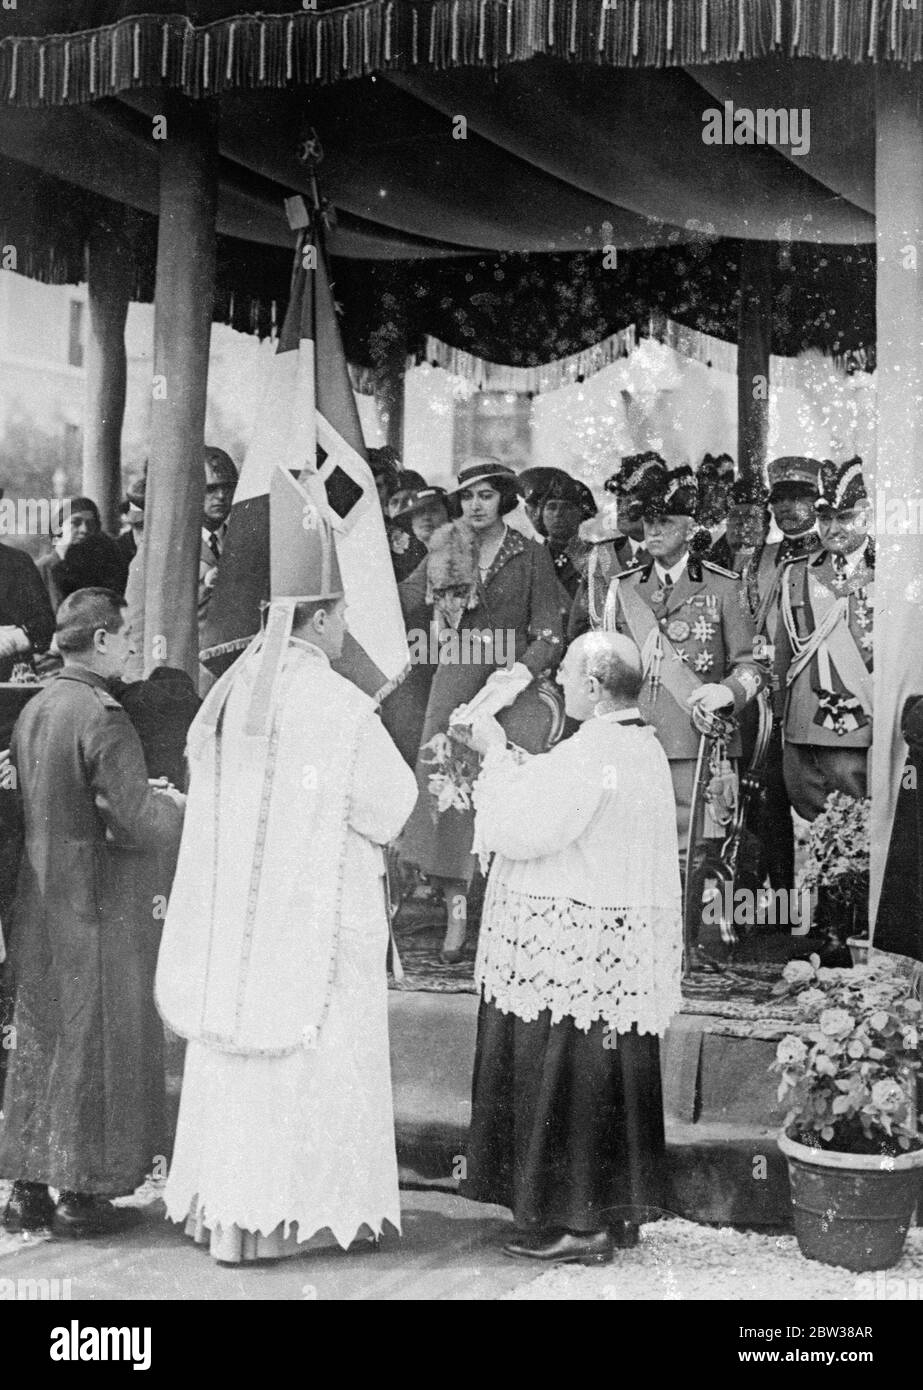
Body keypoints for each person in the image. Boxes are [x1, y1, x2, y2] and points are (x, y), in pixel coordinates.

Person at [156, 477, 417, 1264]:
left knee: (241, 1059)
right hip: (320, 915)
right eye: (342, 617)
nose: (347, 632)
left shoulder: (230, 695)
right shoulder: (338, 706)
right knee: (320, 1057)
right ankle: (304, 1217)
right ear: (325, 616)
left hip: (239, 925)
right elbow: (390, 805)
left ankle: (230, 1220)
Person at [462, 632, 682, 1262]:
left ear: (592, 685)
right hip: (606, 951)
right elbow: (568, 795)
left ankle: (580, 1222)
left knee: (573, 1078)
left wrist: (496, 755)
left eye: (563, 673)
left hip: (574, 951)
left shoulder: (597, 749)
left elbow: (526, 827)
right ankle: (611, 1214)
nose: (555, 681)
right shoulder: (637, 743)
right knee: (604, 1075)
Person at [0, 589, 185, 1237]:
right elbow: (133, 821)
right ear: (102, 640)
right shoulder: (104, 714)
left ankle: (26, 1191)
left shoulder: (39, 706)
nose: (132, 646)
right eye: (126, 635)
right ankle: (84, 1196)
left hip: (40, 898)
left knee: (41, 1039)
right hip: (100, 903)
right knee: (97, 1040)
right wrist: (177, 810)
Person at [397, 458, 564, 962]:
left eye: (486, 496)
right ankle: (455, 905)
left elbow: (550, 628)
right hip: (456, 674)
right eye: (468, 496)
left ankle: (504, 898)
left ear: (505, 500)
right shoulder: (445, 545)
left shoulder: (530, 555)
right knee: (445, 781)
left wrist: (520, 674)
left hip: (510, 682)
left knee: (505, 777)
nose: (475, 505)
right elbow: (401, 603)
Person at [599, 466, 766, 958]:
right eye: (646, 523)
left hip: (697, 738)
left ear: (690, 526)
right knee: (631, 841)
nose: (652, 533)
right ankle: (634, 946)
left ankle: (682, 945)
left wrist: (728, 693)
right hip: (637, 737)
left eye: (664, 523)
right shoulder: (624, 588)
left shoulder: (722, 585)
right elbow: (610, 663)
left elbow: (752, 662)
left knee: (692, 850)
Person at [774, 458, 874, 958]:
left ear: (868, 515)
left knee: (857, 826)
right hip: (802, 720)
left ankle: (850, 930)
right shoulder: (797, 573)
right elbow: (777, 649)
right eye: (826, 518)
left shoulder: (890, 573)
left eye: (845, 518)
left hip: (858, 723)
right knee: (812, 825)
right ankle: (821, 927)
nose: (833, 529)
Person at [740, 457, 822, 896]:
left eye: (800, 498)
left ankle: (829, 908)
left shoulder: (830, 555)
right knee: (764, 795)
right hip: (762, 694)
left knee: (815, 796)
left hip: (813, 689)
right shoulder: (757, 558)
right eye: (781, 499)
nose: (788, 508)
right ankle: (776, 897)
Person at [568, 452, 665, 641]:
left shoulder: (675, 556)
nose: (622, 505)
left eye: (632, 498)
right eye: (620, 498)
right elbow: (578, 630)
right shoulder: (601, 556)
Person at [198, 447, 239, 646]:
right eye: (211, 489)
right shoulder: (172, 548)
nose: (221, 496)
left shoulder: (240, 540)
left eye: (228, 487)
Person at [36, 497, 103, 613]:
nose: (84, 529)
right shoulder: (40, 570)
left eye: (90, 524)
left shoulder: (97, 567)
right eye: (76, 522)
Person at [539, 472, 597, 602]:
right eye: (551, 507)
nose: (558, 513)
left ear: (581, 514)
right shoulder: (529, 559)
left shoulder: (597, 556)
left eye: (567, 507)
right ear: (541, 515)